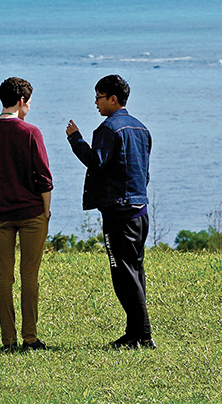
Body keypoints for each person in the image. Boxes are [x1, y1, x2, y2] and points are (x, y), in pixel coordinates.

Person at [65, 74, 155, 349]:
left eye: (99, 97)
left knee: (123, 274)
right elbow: (144, 173)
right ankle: (134, 334)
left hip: (119, 214)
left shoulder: (109, 129)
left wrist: (75, 139)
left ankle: (142, 335)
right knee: (135, 271)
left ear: (113, 99)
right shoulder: (141, 129)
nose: (95, 103)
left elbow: (96, 161)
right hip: (140, 211)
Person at [0, 77, 54, 351]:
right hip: (31, 213)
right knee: (30, 276)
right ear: (21, 102)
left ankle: (8, 340)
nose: (29, 108)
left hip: (0, 215)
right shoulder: (31, 132)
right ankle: (30, 338)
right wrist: (46, 212)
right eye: (29, 103)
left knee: (3, 277)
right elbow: (44, 179)